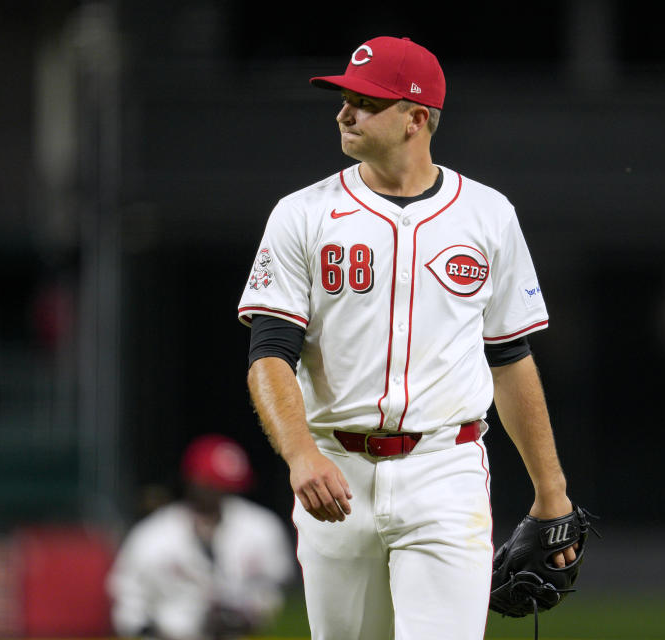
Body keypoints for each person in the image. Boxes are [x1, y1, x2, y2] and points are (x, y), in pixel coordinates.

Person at [239, 36, 577, 640]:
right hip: (334, 473)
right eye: (344, 97)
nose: (345, 112)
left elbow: (510, 357)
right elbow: (269, 354)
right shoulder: (302, 213)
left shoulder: (487, 214)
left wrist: (552, 494)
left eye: (365, 101)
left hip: (445, 470)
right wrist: (299, 453)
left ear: (416, 118)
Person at [106, 434, 294, 640]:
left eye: (226, 485)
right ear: (192, 479)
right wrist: (144, 629)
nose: (218, 491)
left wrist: (248, 614)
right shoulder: (152, 535)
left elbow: (275, 586)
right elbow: (127, 596)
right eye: (212, 483)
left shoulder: (260, 527)